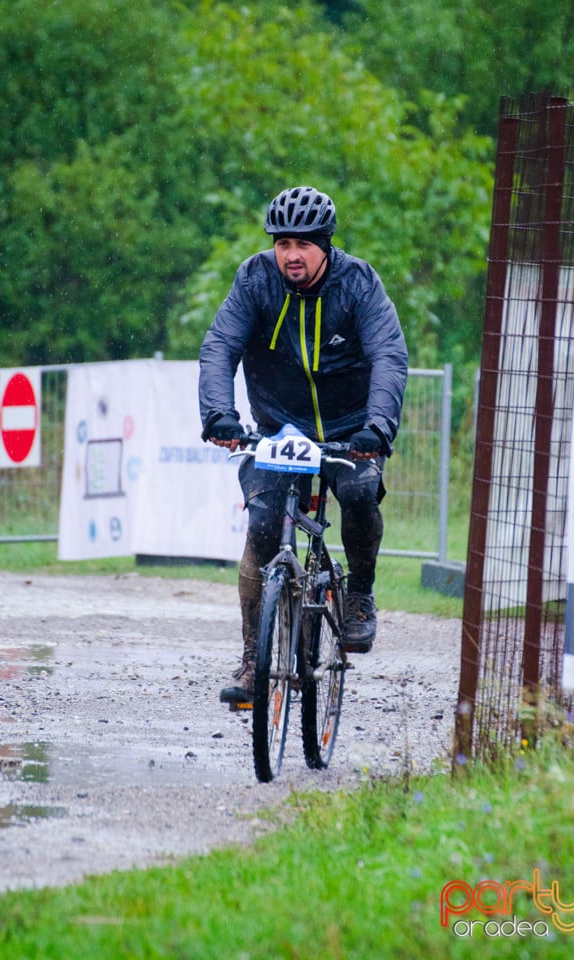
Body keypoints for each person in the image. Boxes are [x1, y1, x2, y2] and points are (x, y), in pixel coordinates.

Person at [198, 185, 408, 703]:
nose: (291, 254)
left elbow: (388, 355)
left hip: (351, 428)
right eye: (283, 242)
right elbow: (219, 346)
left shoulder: (357, 283)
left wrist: (377, 426)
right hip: (278, 429)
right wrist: (219, 415)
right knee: (264, 527)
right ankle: (253, 662)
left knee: (359, 494)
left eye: (304, 244)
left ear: (326, 245)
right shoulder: (253, 279)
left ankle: (358, 591)